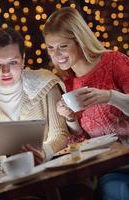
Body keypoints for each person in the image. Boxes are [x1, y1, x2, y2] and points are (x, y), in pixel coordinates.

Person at [43, 7, 129, 200]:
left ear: (79, 41)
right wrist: (70, 119)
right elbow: (80, 142)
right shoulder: (68, 82)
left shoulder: (113, 61)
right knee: (113, 190)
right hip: (111, 169)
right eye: (50, 47)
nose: (56, 54)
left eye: (62, 46)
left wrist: (110, 96)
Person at [0, 27, 69, 174]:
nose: (5, 71)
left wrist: (44, 152)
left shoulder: (46, 83)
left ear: (23, 59)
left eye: (13, 62)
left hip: (52, 173)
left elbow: (60, 133)